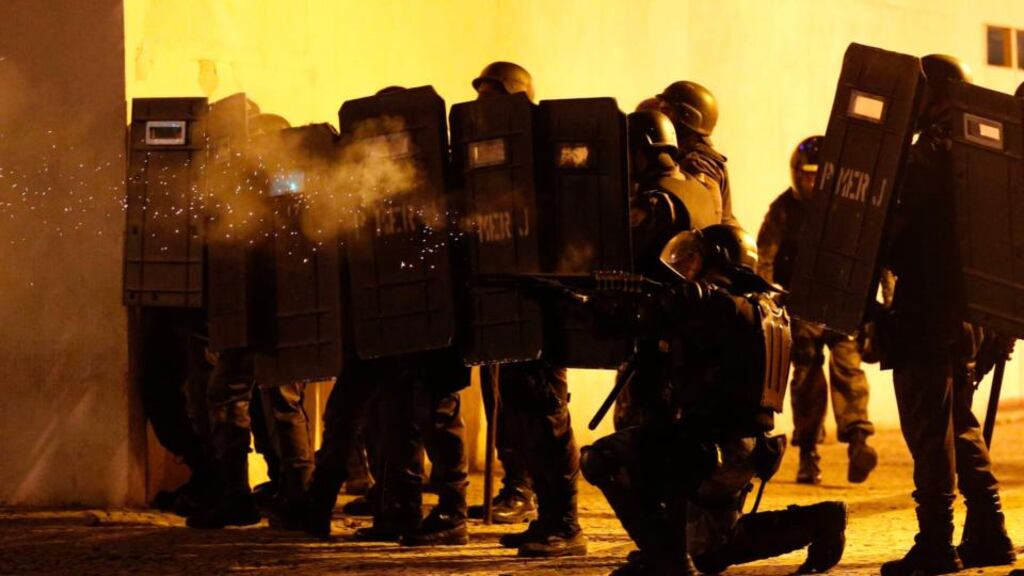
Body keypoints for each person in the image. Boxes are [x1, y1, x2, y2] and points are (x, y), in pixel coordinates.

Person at [582, 224, 847, 576]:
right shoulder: (762, 306)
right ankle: (820, 521)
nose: (687, 269)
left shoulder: (719, 304)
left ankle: (667, 560)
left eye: (696, 260)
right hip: (742, 450)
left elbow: (644, 321)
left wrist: (599, 303)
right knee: (709, 553)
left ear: (718, 261)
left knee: (602, 458)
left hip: (706, 450)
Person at [878, 54, 1015, 575]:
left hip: (925, 312)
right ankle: (990, 531)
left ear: (935, 96)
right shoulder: (977, 151)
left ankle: (936, 542)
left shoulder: (928, 155)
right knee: (960, 425)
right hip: (964, 315)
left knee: (930, 432)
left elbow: (902, 231)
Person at [469, 61, 587, 557]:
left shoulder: (546, 151)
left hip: (542, 300)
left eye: (493, 95)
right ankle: (544, 513)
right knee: (517, 411)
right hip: (506, 298)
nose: (483, 105)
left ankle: (565, 523)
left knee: (545, 413)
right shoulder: (485, 151)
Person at [756, 135, 877, 484]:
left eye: (818, 175)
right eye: (807, 175)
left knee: (848, 370)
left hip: (841, 303)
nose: (812, 183)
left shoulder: (848, 209)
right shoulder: (783, 210)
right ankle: (808, 453)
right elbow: (766, 256)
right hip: (801, 305)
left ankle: (858, 442)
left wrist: (881, 299)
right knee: (806, 377)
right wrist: (768, 298)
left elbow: (870, 255)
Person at [613, 109, 722, 431]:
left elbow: (624, 255)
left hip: (660, 332)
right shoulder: (698, 189)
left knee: (638, 430)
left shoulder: (654, 203)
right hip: (695, 332)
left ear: (641, 151)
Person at [656, 81, 739, 226]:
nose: (659, 118)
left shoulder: (698, 165)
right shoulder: (681, 157)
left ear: (688, 117)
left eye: (666, 111)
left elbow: (705, 223)